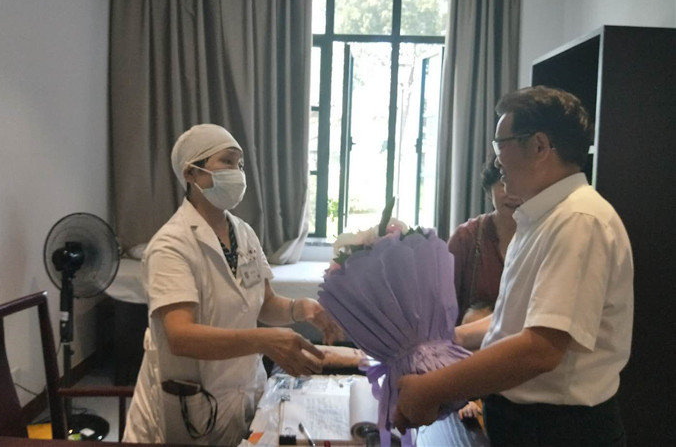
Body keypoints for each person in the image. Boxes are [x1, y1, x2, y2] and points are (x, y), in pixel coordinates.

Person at [394, 86, 633, 447]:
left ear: (538, 146)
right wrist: (450, 340)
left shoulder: (579, 220)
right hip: (528, 424)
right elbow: (517, 319)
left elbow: (541, 348)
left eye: (500, 144)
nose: (497, 161)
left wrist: (433, 387)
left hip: (559, 430)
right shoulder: (540, 217)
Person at [123, 124, 342, 446]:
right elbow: (180, 337)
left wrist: (303, 308)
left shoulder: (243, 233)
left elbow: (264, 303)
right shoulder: (171, 245)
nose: (237, 173)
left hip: (245, 390)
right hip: (191, 404)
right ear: (191, 173)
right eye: (226, 161)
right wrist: (264, 341)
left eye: (239, 164)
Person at [448, 156, 522, 325]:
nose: (512, 194)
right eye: (503, 184)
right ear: (489, 190)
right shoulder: (466, 237)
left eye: (519, 184)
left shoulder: (541, 236)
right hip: (465, 338)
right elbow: (442, 302)